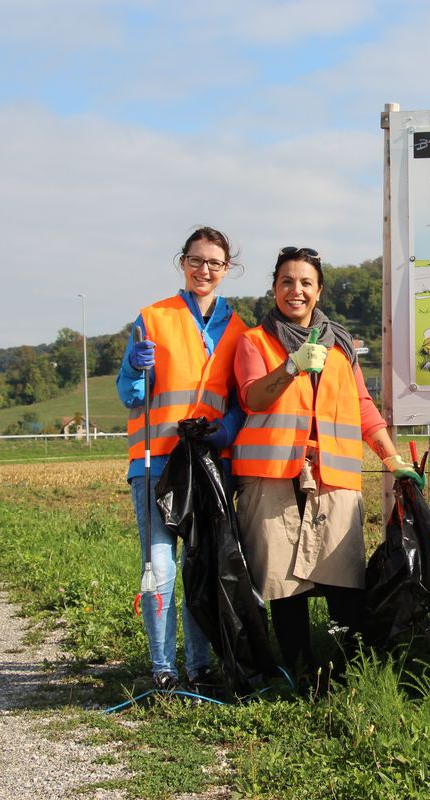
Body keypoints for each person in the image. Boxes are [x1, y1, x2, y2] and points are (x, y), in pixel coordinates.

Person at [231, 246, 422, 688]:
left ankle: (351, 674)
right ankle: (302, 675)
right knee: (285, 584)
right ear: (274, 287)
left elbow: (362, 408)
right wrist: (291, 367)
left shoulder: (340, 345)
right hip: (273, 478)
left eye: (304, 283)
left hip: (333, 479)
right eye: (286, 282)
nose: (294, 291)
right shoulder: (254, 341)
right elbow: (252, 398)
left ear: (318, 291)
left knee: (343, 581)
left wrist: (390, 457)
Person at [116, 226, 249, 693]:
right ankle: (161, 667)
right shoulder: (152, 318)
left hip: (208, 465)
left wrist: (226, 430)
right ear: (182, 262)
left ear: (226, 269)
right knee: (160, 564)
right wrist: (135, 365)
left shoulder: (239, 330)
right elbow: (128, 395)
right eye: (196, 260)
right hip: (154, 463)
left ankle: (199, 666)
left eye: (214, 262)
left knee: (200, 565)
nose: (204, 269)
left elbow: (240, 399)